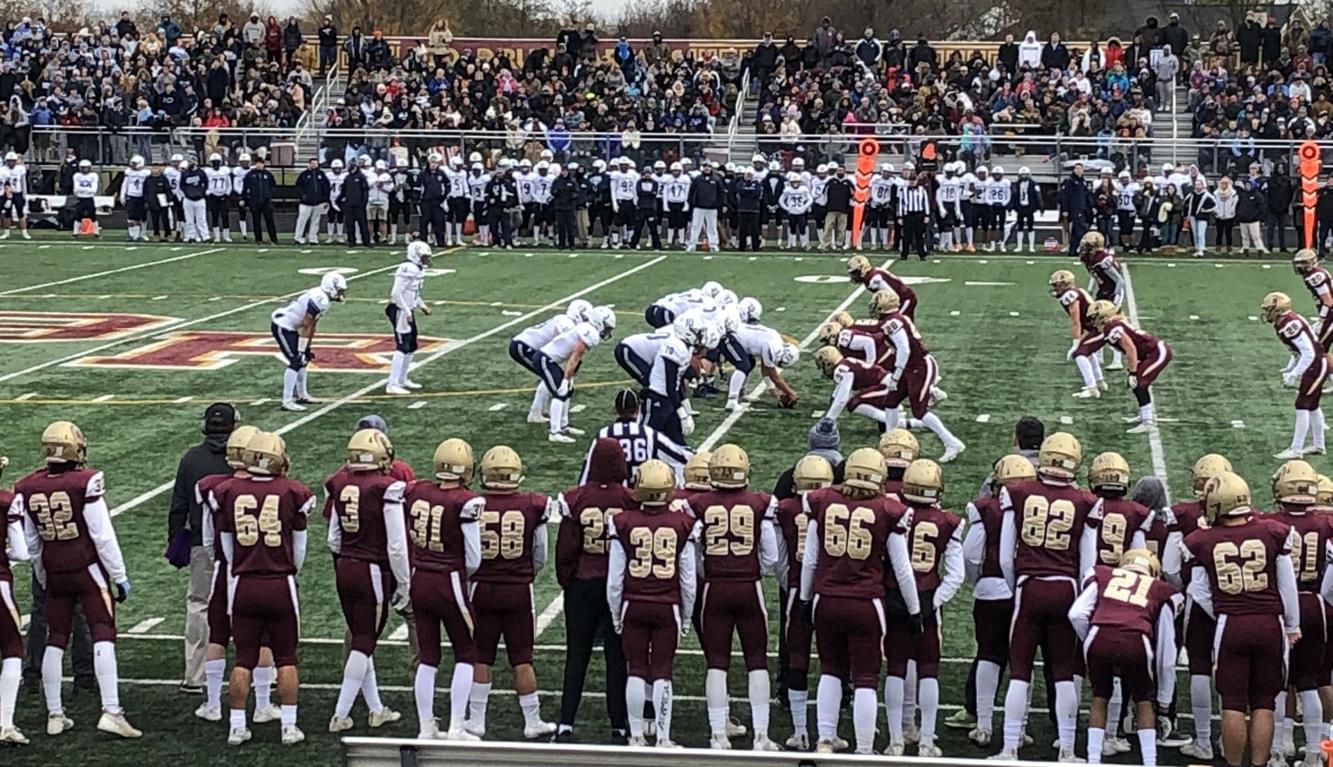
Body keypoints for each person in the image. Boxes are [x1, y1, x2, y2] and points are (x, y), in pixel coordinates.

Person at [13, 421, 140, 739]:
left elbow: (31, 542)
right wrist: (119, 574)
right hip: (86, 569)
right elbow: (101, 534)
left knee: (56, 637)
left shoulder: (26, 485)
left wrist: (43, 574)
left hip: (54, 570)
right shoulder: (86, 481)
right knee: (103, 633)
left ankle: (55, 714)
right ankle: (112, 711)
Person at [800, 447, 921, 754]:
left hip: (826, 599)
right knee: (866, 678)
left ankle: (825, 739)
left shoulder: (822, 501)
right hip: (866, 602)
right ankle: (864, 749)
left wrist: (804, 599)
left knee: (830, 669)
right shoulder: (889, 509)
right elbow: (903, 570)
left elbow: (810, 561)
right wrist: (915, 609)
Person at [1182, 471, 1300, 767]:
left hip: (1231, 625)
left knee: (1232, 703)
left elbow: (1197, 589)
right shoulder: (1273, 531)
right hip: (1270, 623)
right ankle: (1259, 763)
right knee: (1264, 702)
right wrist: (1292, 625)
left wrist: (1224, 608)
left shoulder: (1202, 540)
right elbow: (1287, 584)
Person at [994, 432, 1095, 762]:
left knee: (1020, 670)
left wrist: (1017, 585)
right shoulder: (1086, 502)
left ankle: (1009, 747)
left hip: (1029, 586)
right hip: (1066, 587)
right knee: (1064, 670)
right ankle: (1067, 749)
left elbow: (1006, 557)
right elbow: (1088, 564)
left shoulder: (1018, 492)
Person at [680, 445, 782, 750]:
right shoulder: (759, 503)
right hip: (748, 587)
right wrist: (753, 568)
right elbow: (772, 555)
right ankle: (761, 735)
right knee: (757, 661)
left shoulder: (697, 504)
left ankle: (717, 734)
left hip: (714, 588)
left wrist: (713, 567)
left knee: (717, 662)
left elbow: (694, 555)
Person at [212, 432, 310, 745]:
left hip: (242, 582)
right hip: (279, 581)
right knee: (286, 658)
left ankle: (237, 727)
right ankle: (289, 727)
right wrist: (286, 568)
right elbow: (300, 548)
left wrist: (241, 565)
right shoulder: (293, 491)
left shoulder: (227, 490)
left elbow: (226, 546)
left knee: (242, 658)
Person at [463, 447, 555, 739]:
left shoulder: (473, 503)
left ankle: (476, 720)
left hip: (482, 588)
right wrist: (525, 573)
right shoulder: (532, 504)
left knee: (481, 656)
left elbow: (468, 552)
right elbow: (540, 553)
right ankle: (532, 720)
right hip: (517, 589)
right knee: (522, 658)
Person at [606, 459, 697, 747]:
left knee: (636, 668)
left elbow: (614, 578)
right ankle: (663, 736)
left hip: (633, 601)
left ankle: (635, 735)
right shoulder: (683, 523)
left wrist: (616, 612)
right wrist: (686, 616)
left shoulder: (622, 522)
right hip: (666, 604)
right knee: (662, 670)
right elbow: (688, 579)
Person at [1068, 549, 1181, 766]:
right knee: (1143, 700)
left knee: (1100, 697)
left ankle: (1093, 759)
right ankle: (1149, 761)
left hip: (1099, 634)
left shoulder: (1102, 574)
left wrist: (1091, 638)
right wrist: (1165, 701)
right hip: (1136, 638)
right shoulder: (1161, 589)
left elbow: (1076, 614)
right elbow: (1167, 652)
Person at [883, 459, 964, 757]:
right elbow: (957, 574)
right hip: (928, 596)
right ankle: (927, 740)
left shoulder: (893, 512)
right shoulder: (948, 521)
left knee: (895, 667)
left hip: (893, 597)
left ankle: (895, 739)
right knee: (928, 669)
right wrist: (935, 600)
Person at [166, 403, 237, 694]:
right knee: (248, 605)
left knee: (200, 605)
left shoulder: (191, 458)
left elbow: (178, 504)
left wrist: (175, 540)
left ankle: (195, 674)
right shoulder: (243, 458)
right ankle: (262, 671)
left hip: (201, 544)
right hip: (242, 543)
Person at [1261, 292, 1328, 459]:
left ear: (1278, 309)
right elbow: (1297, 351)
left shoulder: (1290, 324)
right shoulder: (1285, 321)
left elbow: (1308, 353)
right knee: (1312, 405)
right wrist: (1290, 367)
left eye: (1269, 309)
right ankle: (1318, 445)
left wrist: (1295, 373)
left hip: (1316, 364)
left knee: (1302, 404)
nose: (1267, 313)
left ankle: (1296, 449)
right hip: (1315, 363)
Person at [270, 272, 347, 411]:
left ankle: (302, 395)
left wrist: (306, 348)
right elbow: (306, 324)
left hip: (292, 326)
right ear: (331, 287)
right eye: (339, 290)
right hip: (282, 325)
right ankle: (286, 401)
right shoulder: (320, 299)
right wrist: (300, 350)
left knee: (303, 359)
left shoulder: (324, 299)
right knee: (295, 360)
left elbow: (312, 326)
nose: (341, 293)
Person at [579, 389, 689, 482]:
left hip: (613, 500)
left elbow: (586, 474)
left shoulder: (603, 434)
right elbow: (682, 457)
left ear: (616, 410)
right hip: (642, 499)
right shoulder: (648, 434)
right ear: (638, 409)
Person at [385, 241, 432, 395]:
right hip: (399, 310)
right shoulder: (407, 269)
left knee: (411, 344)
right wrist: (407, 311)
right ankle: (392, 384)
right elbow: (396, 294)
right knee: (402, 345)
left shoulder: (416, 269)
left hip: (407, 309)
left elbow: (412, 293)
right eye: (424, 256)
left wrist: (422, 305)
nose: (426, 259)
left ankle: (402, 379)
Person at [688, 162, 723, 252]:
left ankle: (713, 244)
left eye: (708, 167)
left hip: (712, 207)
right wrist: (692, 203)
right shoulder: (697, 179)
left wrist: (720, 204)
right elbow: (692, 192)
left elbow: (721, 193)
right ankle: (692, 244)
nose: (707, 168)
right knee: (696, 226)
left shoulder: (716, 179)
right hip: (699, 206)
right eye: (705, 167)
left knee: (712, 227)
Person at [242, 157, 278, 244]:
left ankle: (274, 239)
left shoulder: (268, 174)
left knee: (270, 220)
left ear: (263, 164)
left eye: (261, 163)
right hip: (254, 201)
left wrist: (269, 195)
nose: (259, 165)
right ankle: (258, 239)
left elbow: (273, 186)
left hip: (266, 201)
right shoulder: (250, 175)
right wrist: (244, 199)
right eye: (257, 163)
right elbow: (245, 187)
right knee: (256, 221)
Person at [294, 158, 330, 245]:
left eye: (315, 163)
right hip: (305, 203)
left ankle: (313, 238)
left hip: (318, 203)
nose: (314, 165)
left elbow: (326, 187)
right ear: (309, 164)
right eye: (312, 163)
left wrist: (325, 199)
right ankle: (298, 238)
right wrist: (303, 196)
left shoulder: (321, 174)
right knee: (302, 220)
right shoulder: (304, 174)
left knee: (315, 221)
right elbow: (298, 187)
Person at [1060, 163, 1093, 256]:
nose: (1079, 170)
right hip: (1075, 209)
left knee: (1076, 231)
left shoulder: (1083, 181)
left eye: (1080, 169)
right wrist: (1065, 209)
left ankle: (1073, 250)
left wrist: (1091, 207)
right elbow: (1065, 196)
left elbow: (1087, 196)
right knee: (1080, 229)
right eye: (1077, 168)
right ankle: (1077, 249)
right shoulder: (1070, 181)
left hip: (1083, 209)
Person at [120, 155, 149, 242]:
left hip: (142, 196)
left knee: (142, 216)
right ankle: (132, 234)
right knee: (131, 216)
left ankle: (143, 233)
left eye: (135, 163)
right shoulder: (129, 172)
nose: (133, 165)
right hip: (131, 195)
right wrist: (122, 195)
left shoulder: (146, 173)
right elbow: (125, 184)